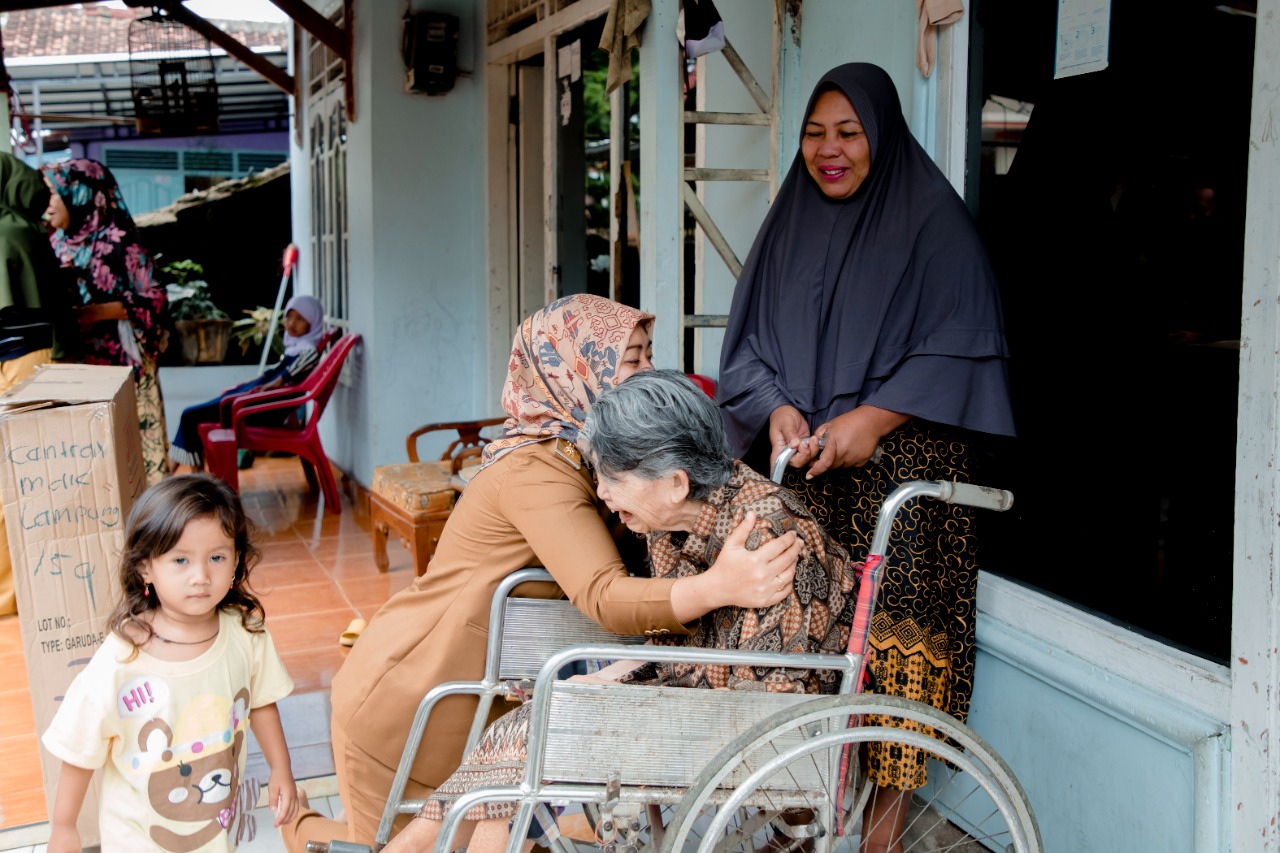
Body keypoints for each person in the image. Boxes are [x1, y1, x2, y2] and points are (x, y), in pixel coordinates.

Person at [280, 295, 803, 852]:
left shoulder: (586, 457)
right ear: (578, 369)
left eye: (650, 355)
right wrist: (716, 586)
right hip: (408, 699)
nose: (648, 373)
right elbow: (603, 593)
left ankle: (306, 832)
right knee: (397, 847)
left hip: (473, 697)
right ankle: (303, 832)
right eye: (632, 360)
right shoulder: (540, 470)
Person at [716, 63, 1016, 850]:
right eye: (815, 133)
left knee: (891, 656)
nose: (829, 150)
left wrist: (875, 420)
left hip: (905, 488)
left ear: (880, 136)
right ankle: (795, 816)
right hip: (813, 479)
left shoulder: (933, 225)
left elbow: (965, 343)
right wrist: (777, 407)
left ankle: (881, 834)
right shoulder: (789, 224)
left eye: (849, 132)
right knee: (801, 639)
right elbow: (745, 350)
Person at [382, 368, 858, 853]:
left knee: (543, 725)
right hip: (703, 699)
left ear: (675, 482)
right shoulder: (672, 514)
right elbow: (677, 645)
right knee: (534, 719)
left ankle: (406, 850)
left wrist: (613, 698)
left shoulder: (767, 538)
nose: (603, 494)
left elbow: (765, 694)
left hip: (760, 726)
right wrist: (608, 681)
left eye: (613, 477)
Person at [39, 474, 299, 853]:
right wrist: (64, 827)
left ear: (236, 561)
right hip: (137, 840)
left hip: (213, 830)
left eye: (216, 557)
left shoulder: (246, 634)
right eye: (180, 560)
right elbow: (80, 744)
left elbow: (261, 701)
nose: (201, 576)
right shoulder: (122, 657)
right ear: (146, 568)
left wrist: (281, 768)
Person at [41, 158, 171, 485]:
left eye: (55, 194)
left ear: (81, 193)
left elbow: (154, 297)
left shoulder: (122, 239)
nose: (48, 203)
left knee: (133, 452)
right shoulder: (53, 242)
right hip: (75, 367)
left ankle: (149, 529)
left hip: (122, 368)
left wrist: (96, 313)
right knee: (91, 462)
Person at [0, 152, 71, 617]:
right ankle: (19, 589)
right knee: (31, 474)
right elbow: (53, 307)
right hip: (27, 362)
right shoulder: (19, 232)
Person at [168, 294, 327, 472]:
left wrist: (269, 385)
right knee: (194, 415)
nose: (291, 323)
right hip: (254, 400)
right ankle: (191, 472)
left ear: (313, 323)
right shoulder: (296, 348)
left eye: (300, 319)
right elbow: (275, 374)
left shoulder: (308, 351)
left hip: (257, 409)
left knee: (191, 415)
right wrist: (249, 385)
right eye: (289, 316)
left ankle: (173, 472)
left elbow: (284, 377)